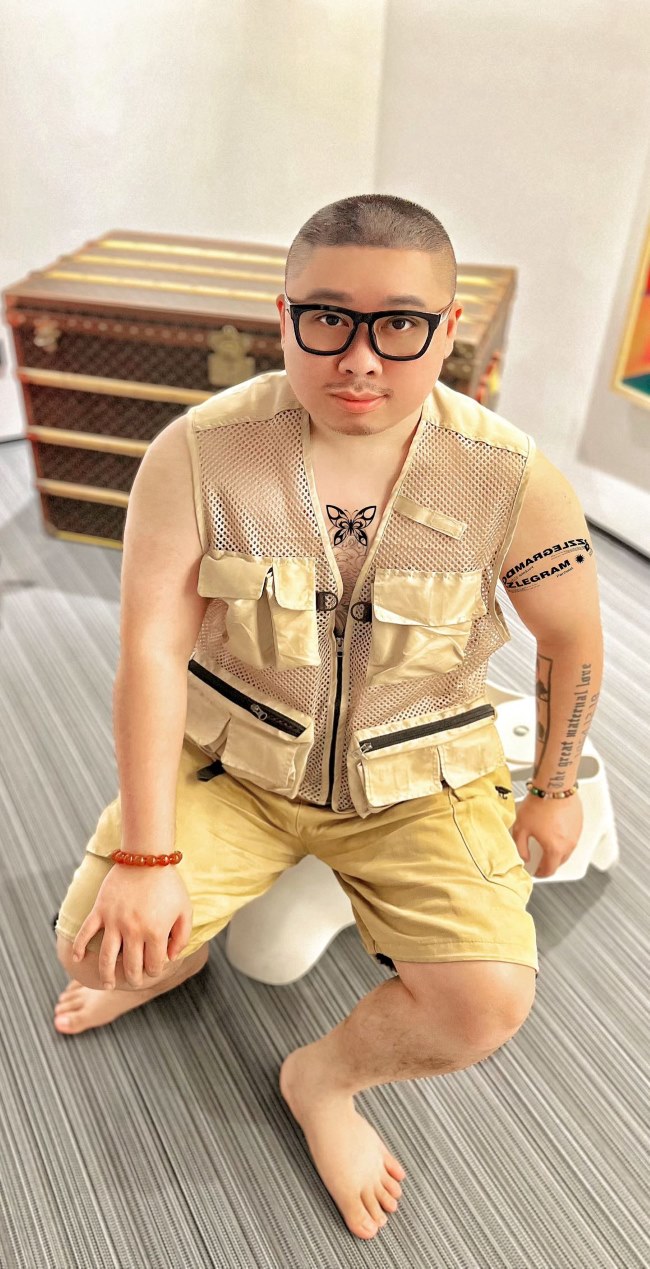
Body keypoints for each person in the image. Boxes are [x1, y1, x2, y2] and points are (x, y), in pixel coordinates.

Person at [53, 194, 604, 1242]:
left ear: (448, 328)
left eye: (398, 324)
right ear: (284, 316)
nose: (359, 359)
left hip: (419, 780)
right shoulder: (198, 454)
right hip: (238, 767)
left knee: (484, 1003)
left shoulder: (510, 477)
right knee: (97, 951)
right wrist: (147, 860)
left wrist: (553, 785)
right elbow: (151, 654)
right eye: (327, 319)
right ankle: (189, 952)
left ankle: (324, 1080)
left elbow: (571, 640)